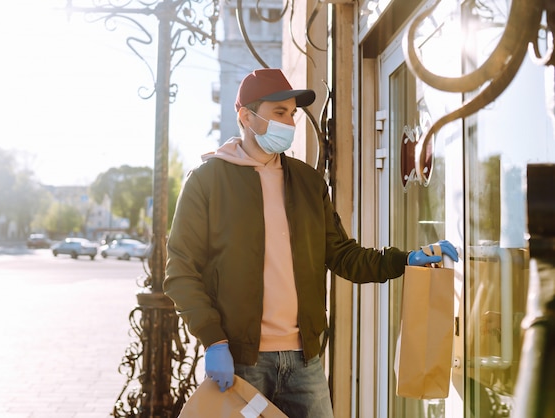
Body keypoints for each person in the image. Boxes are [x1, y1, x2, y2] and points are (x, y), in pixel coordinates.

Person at [164, 68, 459, 418]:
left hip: (305, 361)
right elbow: (181, 272)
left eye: (292, 114)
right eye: (279, 113)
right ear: (246, 116)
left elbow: (342, 255)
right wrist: (213, 340)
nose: (289, 123)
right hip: (241, 361)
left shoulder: (306, 181)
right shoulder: (206, 182)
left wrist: (404, 259)